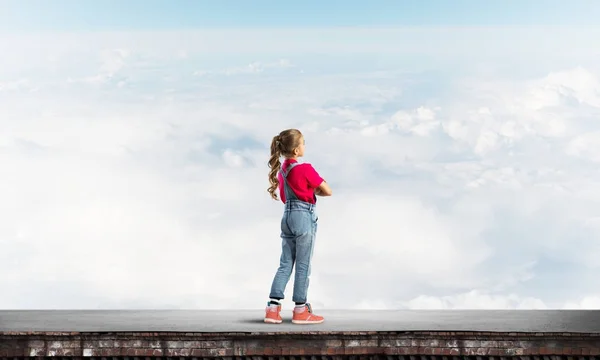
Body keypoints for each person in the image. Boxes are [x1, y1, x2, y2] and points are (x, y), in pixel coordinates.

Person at [264, 129, 332, 324]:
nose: (304, 146)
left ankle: (272, 308)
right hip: (303, 215)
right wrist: (313, 188)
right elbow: (327, 191)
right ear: (295, 150)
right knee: (303, 264)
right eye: (303, 143)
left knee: (285, 263)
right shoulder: (305, 169)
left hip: (287, 216)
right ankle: (301, 310)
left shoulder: (282, 172)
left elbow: (286, 197)